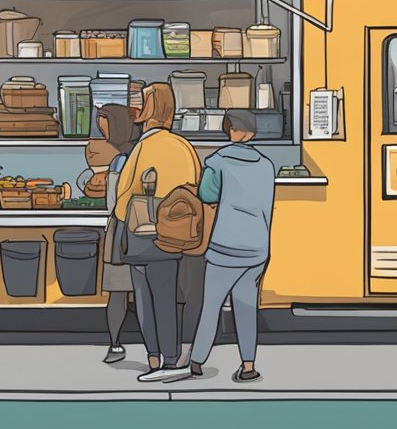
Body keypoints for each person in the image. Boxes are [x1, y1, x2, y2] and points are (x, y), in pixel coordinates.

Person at [177, 110, 275, 383]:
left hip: (225, 246)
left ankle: (197, 361)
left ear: (229, 130)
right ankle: (248, 365)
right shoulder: (266, 165)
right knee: (246, 306)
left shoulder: (217, 161)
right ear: (252, 133)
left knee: (212, 304)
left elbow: (207, 194)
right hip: (257, 246)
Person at [113, 82, 201, 383]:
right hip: (179, 234)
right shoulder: (184, 146)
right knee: (169, 297)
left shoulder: (144, 147)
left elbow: (123, 196)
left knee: (146, 299)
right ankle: (173, 356)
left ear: (149, 109)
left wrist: (126, 215)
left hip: (144, 235)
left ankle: (159, 359)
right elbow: (196, 188)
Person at [87, 104, 137, 364]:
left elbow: (112, 202)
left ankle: (116, 344)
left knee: (118, 291)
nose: (100, 129)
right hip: (145, 232)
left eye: (103, 122)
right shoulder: (142, 152)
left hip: (121, 232)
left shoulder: (120, 160)